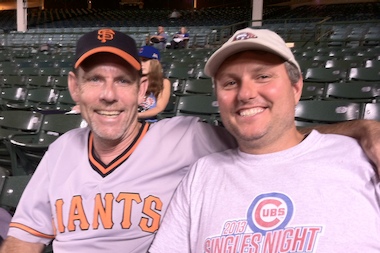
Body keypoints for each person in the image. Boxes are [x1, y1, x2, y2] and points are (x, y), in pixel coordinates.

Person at [1, 28, 380, 253]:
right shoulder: (59, 151)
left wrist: (360, 130)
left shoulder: (190, 138)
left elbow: (271, 140)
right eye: (94, 80)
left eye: (122, 81)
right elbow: (23, 241)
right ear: (74, 88)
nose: (109, 95)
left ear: (142, 89)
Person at [149, 28, 380, 252]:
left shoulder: (364, 158)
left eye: (263, 76)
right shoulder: (202, 173)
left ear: (296, 87)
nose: (245, 94)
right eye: (230, 82)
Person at [137, 46, 171, 122]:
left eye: (145, 60)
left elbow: (159, 108)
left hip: (150, 124)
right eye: (139, 61)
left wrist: (137, 115)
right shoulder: (133, 79)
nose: (141, 64)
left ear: (154, 63)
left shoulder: (164, 82)